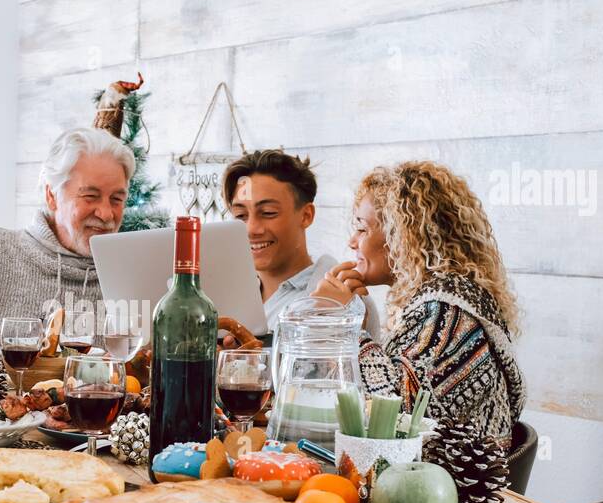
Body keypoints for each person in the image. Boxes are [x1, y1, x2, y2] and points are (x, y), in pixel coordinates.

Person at [314, 161, 525, 447]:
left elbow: (394, 412)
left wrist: (339, 324)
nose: (352, 241)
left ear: (403, 235)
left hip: (441, 486)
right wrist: (353, 326)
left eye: (362, 229)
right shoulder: (442, 299)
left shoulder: (447, 311)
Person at [0, 126, 135, 343]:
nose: (106, 214)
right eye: (90, 196)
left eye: (116, 199)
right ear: (52, 195)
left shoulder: (132, 274)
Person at [222, 149, 379, 339]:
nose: (251, 229)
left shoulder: (344, 298)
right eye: (240, 216)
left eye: (268, 212)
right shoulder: (228, 297)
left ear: (306, 215)